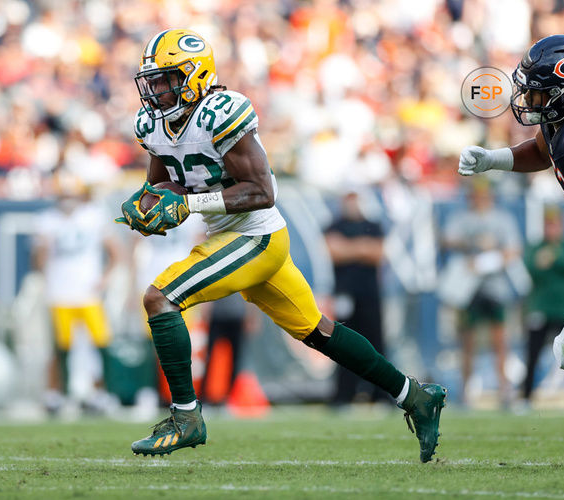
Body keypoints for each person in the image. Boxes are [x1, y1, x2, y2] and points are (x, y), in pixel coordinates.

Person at [116, 29, 446, 462]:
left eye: (165, 80)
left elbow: (261, 190)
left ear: (194, 76)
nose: (156, 90)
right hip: (232, 236)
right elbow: (160, 181)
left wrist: (189, 204)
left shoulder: (221, 113)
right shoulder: (155, 125)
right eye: (152, 81)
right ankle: (416, 397)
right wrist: (145, 204)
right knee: (319, 332)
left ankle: (186, 417)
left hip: (255, 233)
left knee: (160, 298)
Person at [458, 34, 564, 371]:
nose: (527, 100)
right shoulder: (559, 125)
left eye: (536, 92)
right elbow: (540, 150)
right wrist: (494, 159)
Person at [32, 172, 122, 415]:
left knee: (100, 343)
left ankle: (101, 392)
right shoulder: (47, 220)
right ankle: (57, 394)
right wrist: (44, 268)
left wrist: (104, 278)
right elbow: (38, 259)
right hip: (59, 292)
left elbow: (115, 251)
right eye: (64, 194)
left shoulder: (93, 215)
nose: (67, 200)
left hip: (88, 291)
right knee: (61, 347)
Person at [440, 180, 522, 406]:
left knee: (501, 341)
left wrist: (491, 256)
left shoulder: (502, 218)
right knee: (467, 342)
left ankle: (504, 391)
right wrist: (473, 243)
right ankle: (465, 392)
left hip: (495, 285)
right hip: (469, 287)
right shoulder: (462, 218)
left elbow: (513, 250)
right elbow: (448, 239)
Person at [325, 189, 387, 405]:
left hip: (369, 294)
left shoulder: (373, 224)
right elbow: (333, 250)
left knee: (376, 344)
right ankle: (344, 394)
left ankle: (380, 394)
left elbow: (379, 254)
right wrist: (362, 247)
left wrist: (349, 248)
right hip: (345, 295)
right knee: (343, 346)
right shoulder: (335, 225)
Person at [522, 206, 564, 401]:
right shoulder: (536, 247)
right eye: (549, 225)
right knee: (532, 353)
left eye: (555, 225)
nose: (552, 229)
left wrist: (554, 257)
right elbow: (533, 268)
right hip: (541, 307)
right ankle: (525, 397)